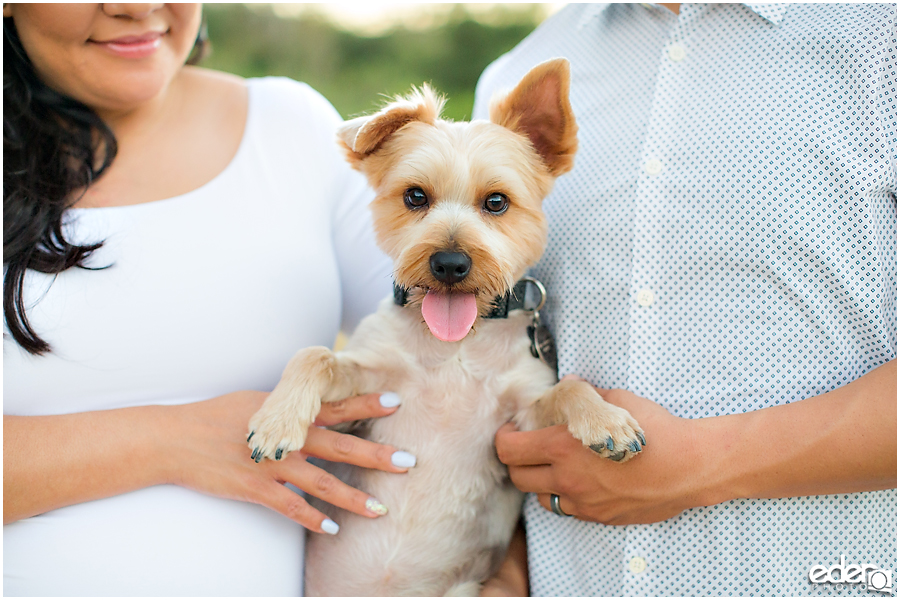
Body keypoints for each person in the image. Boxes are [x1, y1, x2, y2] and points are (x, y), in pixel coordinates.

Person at [474, 3, 896, 596]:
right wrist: (510, 568)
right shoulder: (520, 77)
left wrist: (702, 463)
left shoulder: (883, 39)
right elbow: (497, 370)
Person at [3, 4, 412, 595]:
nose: (138, 6)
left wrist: (504, 565)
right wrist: (172, 441)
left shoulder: (292, 128)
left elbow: (449, 348)